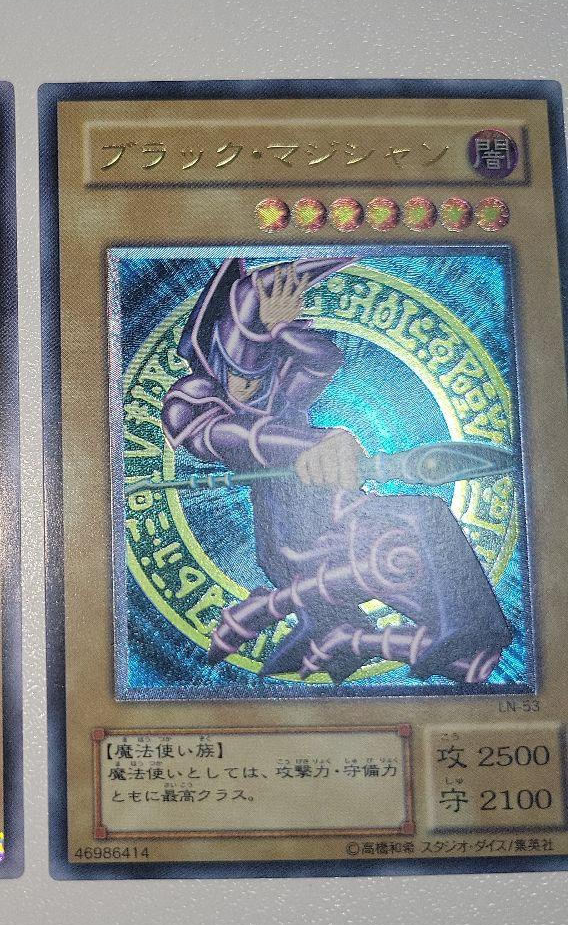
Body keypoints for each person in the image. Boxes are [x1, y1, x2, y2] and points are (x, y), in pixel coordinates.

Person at [161, 257, 512, 684]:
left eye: (256, 374)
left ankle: (366, 636)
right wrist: (314, 443)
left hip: (330, 506)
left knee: (428, 525)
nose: (249, 387)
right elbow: (233, 437)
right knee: (418, 525)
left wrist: (281, 329)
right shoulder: (193, 400)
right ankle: (333, 628)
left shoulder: (278, 383)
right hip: (293, 532)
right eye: (238, 376)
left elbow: (324, 358)